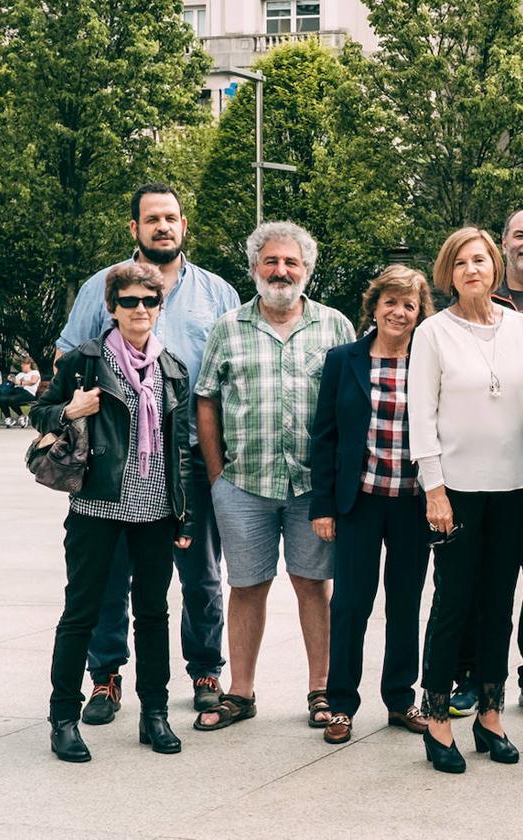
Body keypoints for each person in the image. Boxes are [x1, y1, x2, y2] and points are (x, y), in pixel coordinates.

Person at [55, 183, 238, 725]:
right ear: (134, 228)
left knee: (201, 575)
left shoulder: (217, 294)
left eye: (172, 218)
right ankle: (107, 676)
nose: (163, 226)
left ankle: (205, 669)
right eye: (152, 218)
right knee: (111, 579)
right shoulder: (103, 285)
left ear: (184, 226)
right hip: (112, 462)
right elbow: (69, 353)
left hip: (192, 460)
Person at [193, 221, 355, 732]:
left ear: (307, 270)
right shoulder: (228, 327)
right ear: (254, 268)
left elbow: (355, 404)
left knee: (314, 586)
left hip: (314, 489)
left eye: (291, 262)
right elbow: (206, 399)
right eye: (271, 261)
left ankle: (321, 691)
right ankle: (240, 693)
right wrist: (217, 475)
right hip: (244, 485)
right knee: (246, 587)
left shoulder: (335, 327)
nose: (281, 270)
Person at [32, 262, 194, 762]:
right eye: (129, 302)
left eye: (149, 301)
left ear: (159, 306)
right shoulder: (86, 361)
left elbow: (180, 450)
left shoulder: (173, 368)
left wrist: (183, 515)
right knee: (81, 611)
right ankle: (63, 717)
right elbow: (41, 411)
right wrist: (68, 411)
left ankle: (155, 714)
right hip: (97, 503)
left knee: (152, 613)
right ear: (112, 308)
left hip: (153, 509)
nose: (139, 310)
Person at [409, 226, 523, 773]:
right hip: (457, 489)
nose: (472, 269)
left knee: (499, 604)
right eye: (461, 262)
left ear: (496, 268)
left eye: (481, 260)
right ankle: (438, 716)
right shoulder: (433, 333)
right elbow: (421, 415)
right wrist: (433, 488)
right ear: (449, 272)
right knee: (453, 603)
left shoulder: (517, 327)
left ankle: (490, 714)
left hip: (517, 484)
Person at [446, 208, 523, 718]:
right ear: (503, 244)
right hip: (479, 466)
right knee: (477, 577)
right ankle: (472, 676)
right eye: (519, 234)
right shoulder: (471, 304)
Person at [309, 266, 435, 745]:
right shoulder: (344, 360)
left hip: (413, 503)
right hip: (358, 502)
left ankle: (401, 699)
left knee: (405, 605)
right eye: (391, 302)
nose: (399, 312)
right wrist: (323, 506)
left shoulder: (428, 360)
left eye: (409, 305)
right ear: (374, 305)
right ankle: (340, 705)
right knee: (350, 605)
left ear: (419, 312)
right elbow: (325, 437)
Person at [0, 356, 40, 427]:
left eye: (23, 364)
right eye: (21, 364)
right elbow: (14, 382)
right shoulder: (20, 374)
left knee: (12, 399)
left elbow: (33, 381)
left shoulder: (35, 372)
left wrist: (21, 382)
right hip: (17, 391)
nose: (21, 365)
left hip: (28, 393)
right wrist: (11, 379)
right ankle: (9, 418)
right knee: (2, 399)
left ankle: (22, 416)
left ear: (29, 364)